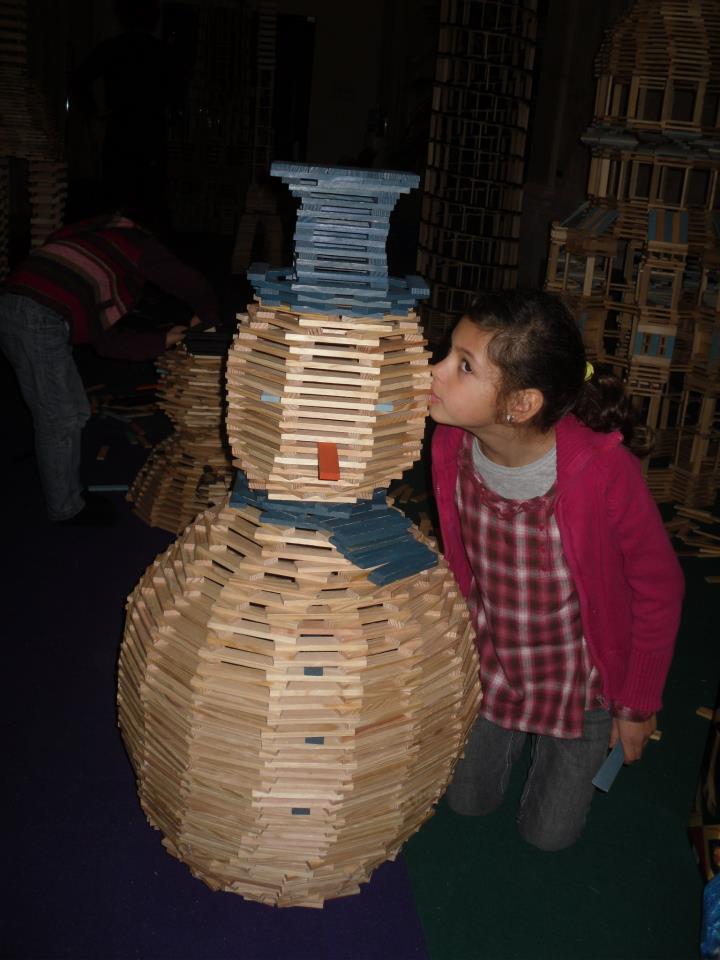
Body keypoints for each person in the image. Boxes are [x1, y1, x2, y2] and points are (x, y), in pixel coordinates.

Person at [429, 289, 684, 851]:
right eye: (449, 354)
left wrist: (637, 703)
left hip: (581, 679)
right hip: (494, 657)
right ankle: (504, 732)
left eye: (463, 365)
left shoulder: (601, 471)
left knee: (549, 838)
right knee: (466, 802)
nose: (436, 370)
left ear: (520, 405)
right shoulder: (450, 442)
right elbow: (460, 554)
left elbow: (659, 587)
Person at [0, 212, 218, 526]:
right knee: (59, 419)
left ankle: (67, 491)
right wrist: (207, 314)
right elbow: (187, 280)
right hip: (38, 315)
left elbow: (106, 343)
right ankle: (66, 510)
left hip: (17, 308)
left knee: (74, 411)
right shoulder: (134, 242)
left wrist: (165, 338)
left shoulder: (89, 246)